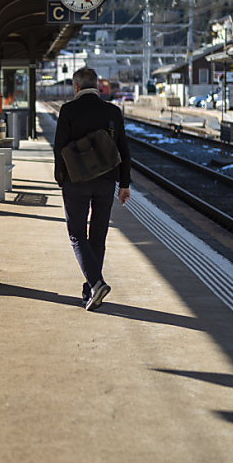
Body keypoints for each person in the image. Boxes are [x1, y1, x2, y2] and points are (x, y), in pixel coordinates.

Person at [53, 67, 132, 310]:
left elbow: (59, 148)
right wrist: (124, 184)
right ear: (97, 86)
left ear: (76, 87)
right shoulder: (112, 111)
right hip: (106, 181)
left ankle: (96, 283)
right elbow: (124, 150)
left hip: (76, 182)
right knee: (98, 235)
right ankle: (90, 291)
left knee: (77, 234)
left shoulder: (68, 110)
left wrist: (61, 179)